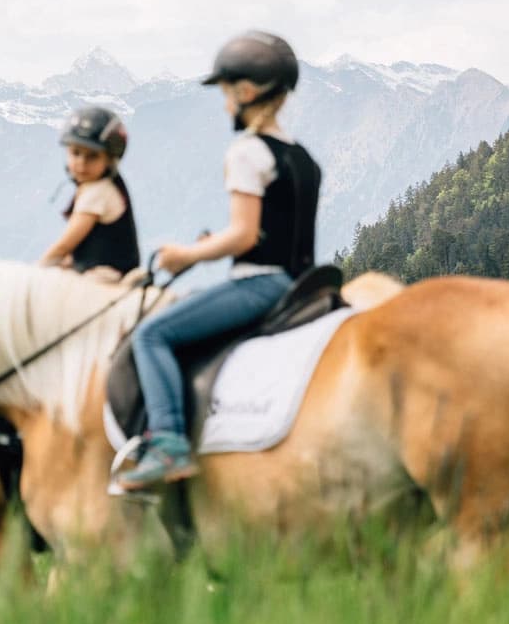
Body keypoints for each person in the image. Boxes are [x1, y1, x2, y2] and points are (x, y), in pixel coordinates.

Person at [112, 31, 320, 493]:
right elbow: (271, 231)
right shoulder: (302, 156)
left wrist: (184, 254)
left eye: (226, 93)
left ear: (246, 92)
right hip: (305, 284)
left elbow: (245, 235)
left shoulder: (247, 151)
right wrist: (214, 245)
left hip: (261, 285)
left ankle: (167, 444)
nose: (225, 104)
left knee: (151, 335)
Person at [39, 104, 140, 281]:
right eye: (76, 152)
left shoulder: (97, 193)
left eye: (92, 156)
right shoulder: (104, 185)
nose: (82, 162)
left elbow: (65, 245)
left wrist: (35, 272)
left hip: (106, 276)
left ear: (109, 159)